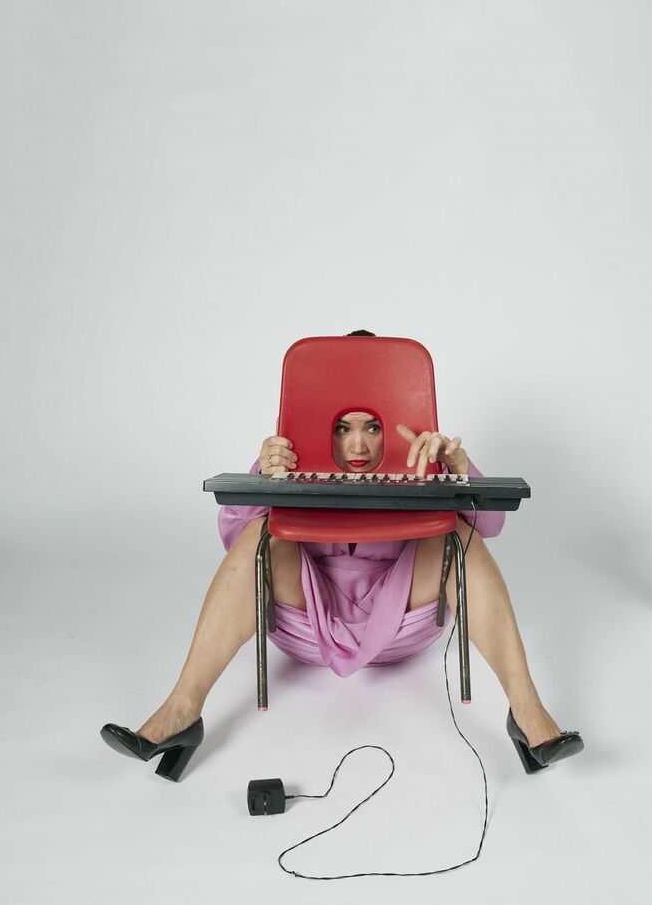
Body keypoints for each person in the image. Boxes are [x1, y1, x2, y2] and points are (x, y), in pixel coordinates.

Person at [101, 334, 583, 780]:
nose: (356, 445)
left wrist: (458, 471)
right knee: (263, 535)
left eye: (373, 427)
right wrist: (265, 475)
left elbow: (491, 526)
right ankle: (182, 710)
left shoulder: (425, 457)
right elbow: (234, 541)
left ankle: (528, 714)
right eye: (343, 428)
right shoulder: (287, 458)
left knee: (457, 534)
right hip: (304, 620)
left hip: (403, 623)